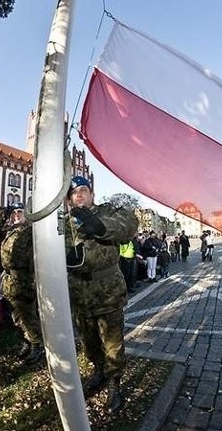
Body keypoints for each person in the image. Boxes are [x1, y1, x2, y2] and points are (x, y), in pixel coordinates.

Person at [65, 176, 138, 413]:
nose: (79, 195)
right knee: (89, 342)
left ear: (92, 195)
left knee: (113, 344)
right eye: (74, 193)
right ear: (69, 200)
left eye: (84, 190)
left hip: (107, 292)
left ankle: (114, 383)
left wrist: (100, 227)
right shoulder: (63, 223)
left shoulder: (106, 211)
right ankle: (98, 371)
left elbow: (129, 222)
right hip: (79, 293)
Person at [0, 202, 45, 364]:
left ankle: (37, 345)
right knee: (17, 318)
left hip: (24, 280)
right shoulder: (8, 232)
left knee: (28, 316)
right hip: (9, 282)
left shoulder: (30, 233)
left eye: (20, 212)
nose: (17, 214)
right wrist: (3, 216)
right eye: (14, 212)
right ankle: (28, 341)